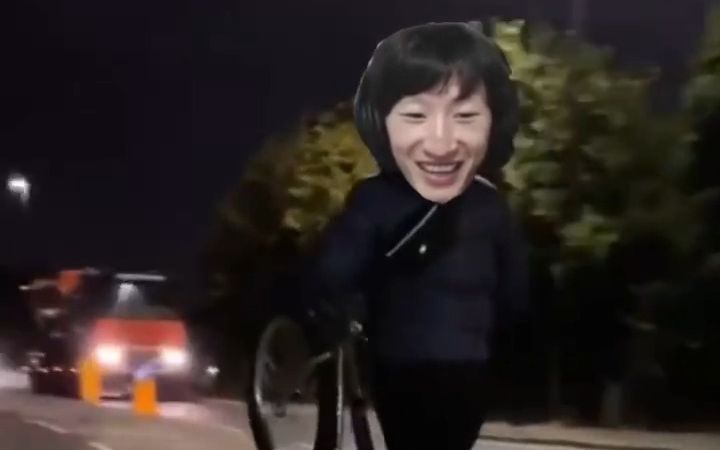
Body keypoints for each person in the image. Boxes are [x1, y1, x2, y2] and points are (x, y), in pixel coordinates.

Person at [299, 21, 529, 450]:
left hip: (413, 365)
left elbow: (331, 275)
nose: (441, 143)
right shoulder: (489, 206)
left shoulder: (379, 200)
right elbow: (516, 297)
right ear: (381, 122)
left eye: (465, 116)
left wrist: (342, 310)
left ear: (493, 123)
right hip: (455, 368)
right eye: (415, 116)